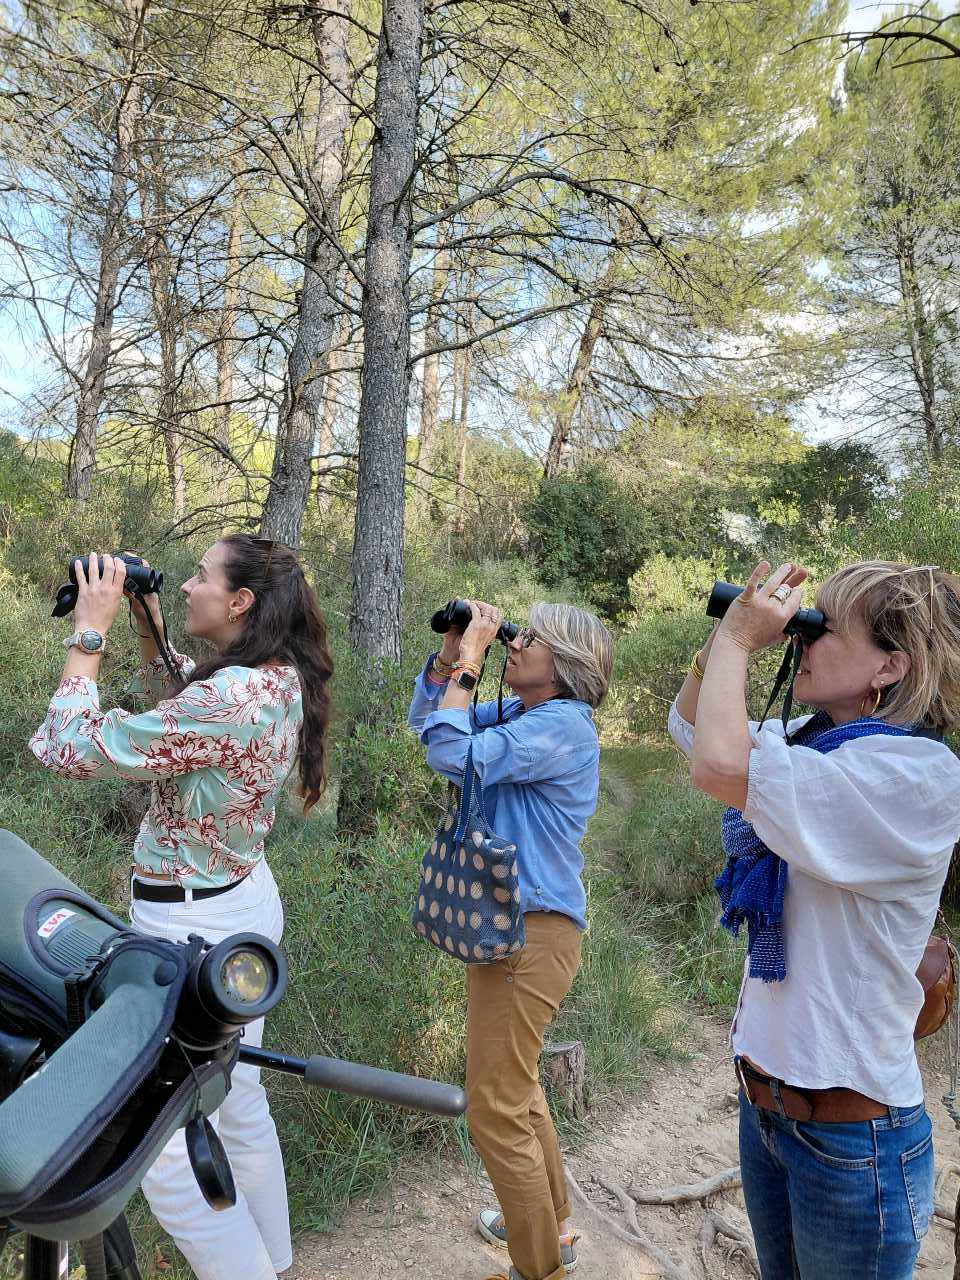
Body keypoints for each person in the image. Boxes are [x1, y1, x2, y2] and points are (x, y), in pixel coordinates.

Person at [30, 537, 334, 1280]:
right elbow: (189, 717)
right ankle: (276, 1262)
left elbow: (72, 748)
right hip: (243, 908)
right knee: (240, 1099)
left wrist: (90, 631)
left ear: (240, 603)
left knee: (162, 1149)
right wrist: (150, 628)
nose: (190, 585)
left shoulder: (229, 698)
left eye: (202, 576)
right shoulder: (275, 677)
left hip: (188, 933)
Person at [668, 558, 960, 1280]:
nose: (803, 636)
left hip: (853, 1142)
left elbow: (718, 764)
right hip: (768, 1114)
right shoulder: (814, 739)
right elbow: (692, 728)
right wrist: (723, 642)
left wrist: (741, 642)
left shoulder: (914, 775)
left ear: (889, 665)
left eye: (823, 627)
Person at [408, 600, 614, 1280]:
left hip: (530, 934)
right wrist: (449, 660)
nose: (514, 643)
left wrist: (471, 662)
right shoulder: (525, 715)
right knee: (516, 1088)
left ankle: (538, 1267)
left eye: (530, 638)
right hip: (512, 927)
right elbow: (429, 726)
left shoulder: (562, 725)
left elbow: (451, 752)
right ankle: (553, 1228)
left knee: (493, 1108)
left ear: (566, 664)